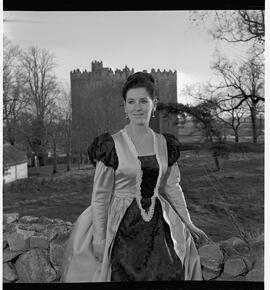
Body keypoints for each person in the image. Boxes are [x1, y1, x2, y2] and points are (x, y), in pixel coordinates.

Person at [61, 72, 209, 282]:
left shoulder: (166, 144)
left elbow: (172, 187)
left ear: (154, 104)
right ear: (125, 106)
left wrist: (188, 223)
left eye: (143, 101)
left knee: (169, 270)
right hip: (118, 221)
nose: (137, 107)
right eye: (131, 101)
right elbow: (101, 195)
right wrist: (100, 238)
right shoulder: (110, 145)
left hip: (158, 222)